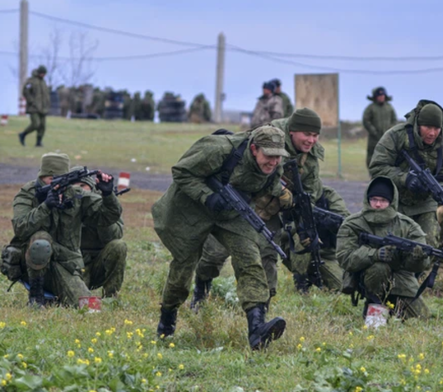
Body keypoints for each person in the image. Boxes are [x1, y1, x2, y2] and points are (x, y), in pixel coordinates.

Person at [152, 125, 293, 350]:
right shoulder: (218, 149)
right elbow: (181, 171)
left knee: (250, 258)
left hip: (231, 212)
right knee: (183, 267)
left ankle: (257, 329)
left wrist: (282, 196)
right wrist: (208, 197)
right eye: (269, 155)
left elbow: (265, 187)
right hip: (193, 207)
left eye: (278, 157)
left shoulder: (275, 166)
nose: (274, 162)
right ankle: (166, 323)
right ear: (254, 148)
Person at [191, 108, 349, 307]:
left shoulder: (310, 158)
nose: (311, 140)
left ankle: (260, 311)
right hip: (239, 207)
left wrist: (304, 226)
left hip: (271, 214)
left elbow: (310, 194)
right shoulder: (269, 137)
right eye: (307, 134)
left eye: (315, 135)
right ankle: (200, 294)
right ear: (292, 131)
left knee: (267, 258)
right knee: (214, 255)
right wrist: (278, 189)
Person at [1, 153, 121, 307]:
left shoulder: (75, 194)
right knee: (41, 240)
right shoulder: (28, 193)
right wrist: (45, 207)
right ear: (41, 176)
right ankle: (36, 297)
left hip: (66, 263)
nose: (55, 183)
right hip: (32, 264)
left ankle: (53, 299)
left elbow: (108, 217)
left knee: (89, 308)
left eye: (59, 178)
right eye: (50, 179)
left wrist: (108, 194)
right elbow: (20, 228)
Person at [369, 100, 443, 252]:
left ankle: (420, 275)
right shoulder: (396, 136)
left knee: (428, 244)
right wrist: (405, 179)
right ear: (418, 124)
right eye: (427, 127)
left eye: (436, 128)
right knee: (391, 244)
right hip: (394, 199)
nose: (432, 133)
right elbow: (377, 168)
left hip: (425, 202)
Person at [336, 177, 430, 319]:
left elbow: (417, 267)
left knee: (422, 319)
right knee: (379, 267)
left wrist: (418, 258)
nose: (378, 204)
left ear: (392, 202)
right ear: (368, 199)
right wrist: (374, 254)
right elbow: (344, 257)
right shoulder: (352, 224)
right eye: (374, 199)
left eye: (383, 200)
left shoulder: (407, 225)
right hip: (367, 278)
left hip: (401, 280)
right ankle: (374, 309)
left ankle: (391, 307)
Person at [72, 167, 127, 298]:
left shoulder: (105, 203)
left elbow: (115, 236)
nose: (79, 190)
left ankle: (111, 297)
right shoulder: (64, 204)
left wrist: (101, 213)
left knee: (118, 246)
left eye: (82, 185)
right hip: (73, 265)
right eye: (74, 187)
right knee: (77, 300)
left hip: (98, 264)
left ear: (90, 187)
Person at [362, 87, 398, 168]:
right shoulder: (370, 108)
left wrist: (390, 130)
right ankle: (373, 174)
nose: (381, 97)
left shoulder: (389, 107)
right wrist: (373, 131)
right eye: (379, 95)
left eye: (383, 95)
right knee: (372, 156)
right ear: (375, 97)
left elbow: (394, 120)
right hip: (374, 138)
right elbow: (366, 121)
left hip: (388, 138)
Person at [19, 65, 51, 147]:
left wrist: (47, 104)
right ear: (39, 72)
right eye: (42, 73)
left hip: (43, 108)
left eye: (44, 74)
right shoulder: (31, 81)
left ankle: (38, 142)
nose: (43, 75)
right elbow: (25, 91)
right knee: (35, 124)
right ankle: (23, 134)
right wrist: (31, 101)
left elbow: (46, 95)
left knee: (42, 126)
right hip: (34, 108)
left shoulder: (43, 82)